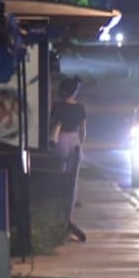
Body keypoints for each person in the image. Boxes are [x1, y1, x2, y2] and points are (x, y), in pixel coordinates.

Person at [49, 76, 87, 242]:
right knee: (73, 181)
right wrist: (80, 143)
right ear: (74, 91)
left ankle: (57, 216)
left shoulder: (57, 107)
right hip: (74, 141)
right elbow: (83, 132)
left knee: (59, 176)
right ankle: (68, 218)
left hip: (60, 140)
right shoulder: (80, 108)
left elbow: (53, 125)